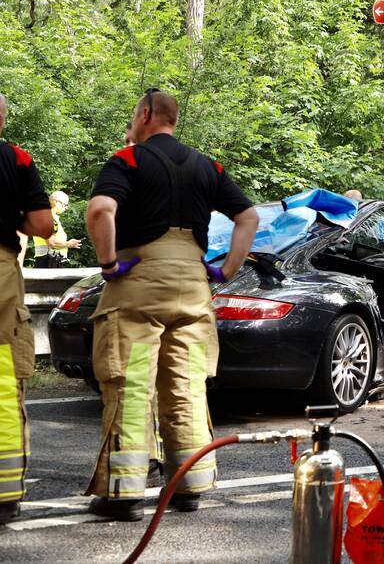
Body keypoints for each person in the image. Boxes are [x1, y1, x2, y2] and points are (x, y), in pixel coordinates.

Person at [84, 89, 258, 521]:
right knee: (187, 386)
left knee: (131, 383)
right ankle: (189, 485)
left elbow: (101, 210)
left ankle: (124, 494)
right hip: (193, 288)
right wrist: (227, 270)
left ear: (145, 114)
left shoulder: (128, 160)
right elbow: (248, 217)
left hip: (139, 284)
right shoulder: (208, 166)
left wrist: (109, 264)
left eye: (132, 117)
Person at [0, 92, 54, 525]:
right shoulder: (16, 159)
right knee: (2, 379)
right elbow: (41, 225)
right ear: (1, 118)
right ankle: (4, 494)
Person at [32, 191, 81, 268]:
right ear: (56, 202)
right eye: (65, 205)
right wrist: (69, 244)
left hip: (50, 260)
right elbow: (52, 242)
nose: (66, 208)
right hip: (50, 261)